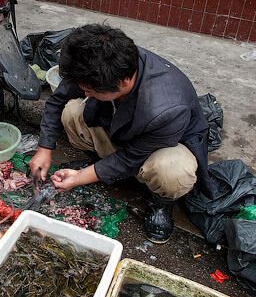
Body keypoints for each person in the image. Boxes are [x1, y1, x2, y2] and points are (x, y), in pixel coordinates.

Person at [29, 24, 214, 244]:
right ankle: (100, 165)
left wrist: (79, 178)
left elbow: (130, 158)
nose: (84, 93)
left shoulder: (165, 109)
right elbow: (57, 100)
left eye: (89, 90)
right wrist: (45, 148)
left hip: (160, 148)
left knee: (172, 172)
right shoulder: (95, 61)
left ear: (123, 82)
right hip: (121, 128)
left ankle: (160, 203)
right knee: (71, 112)